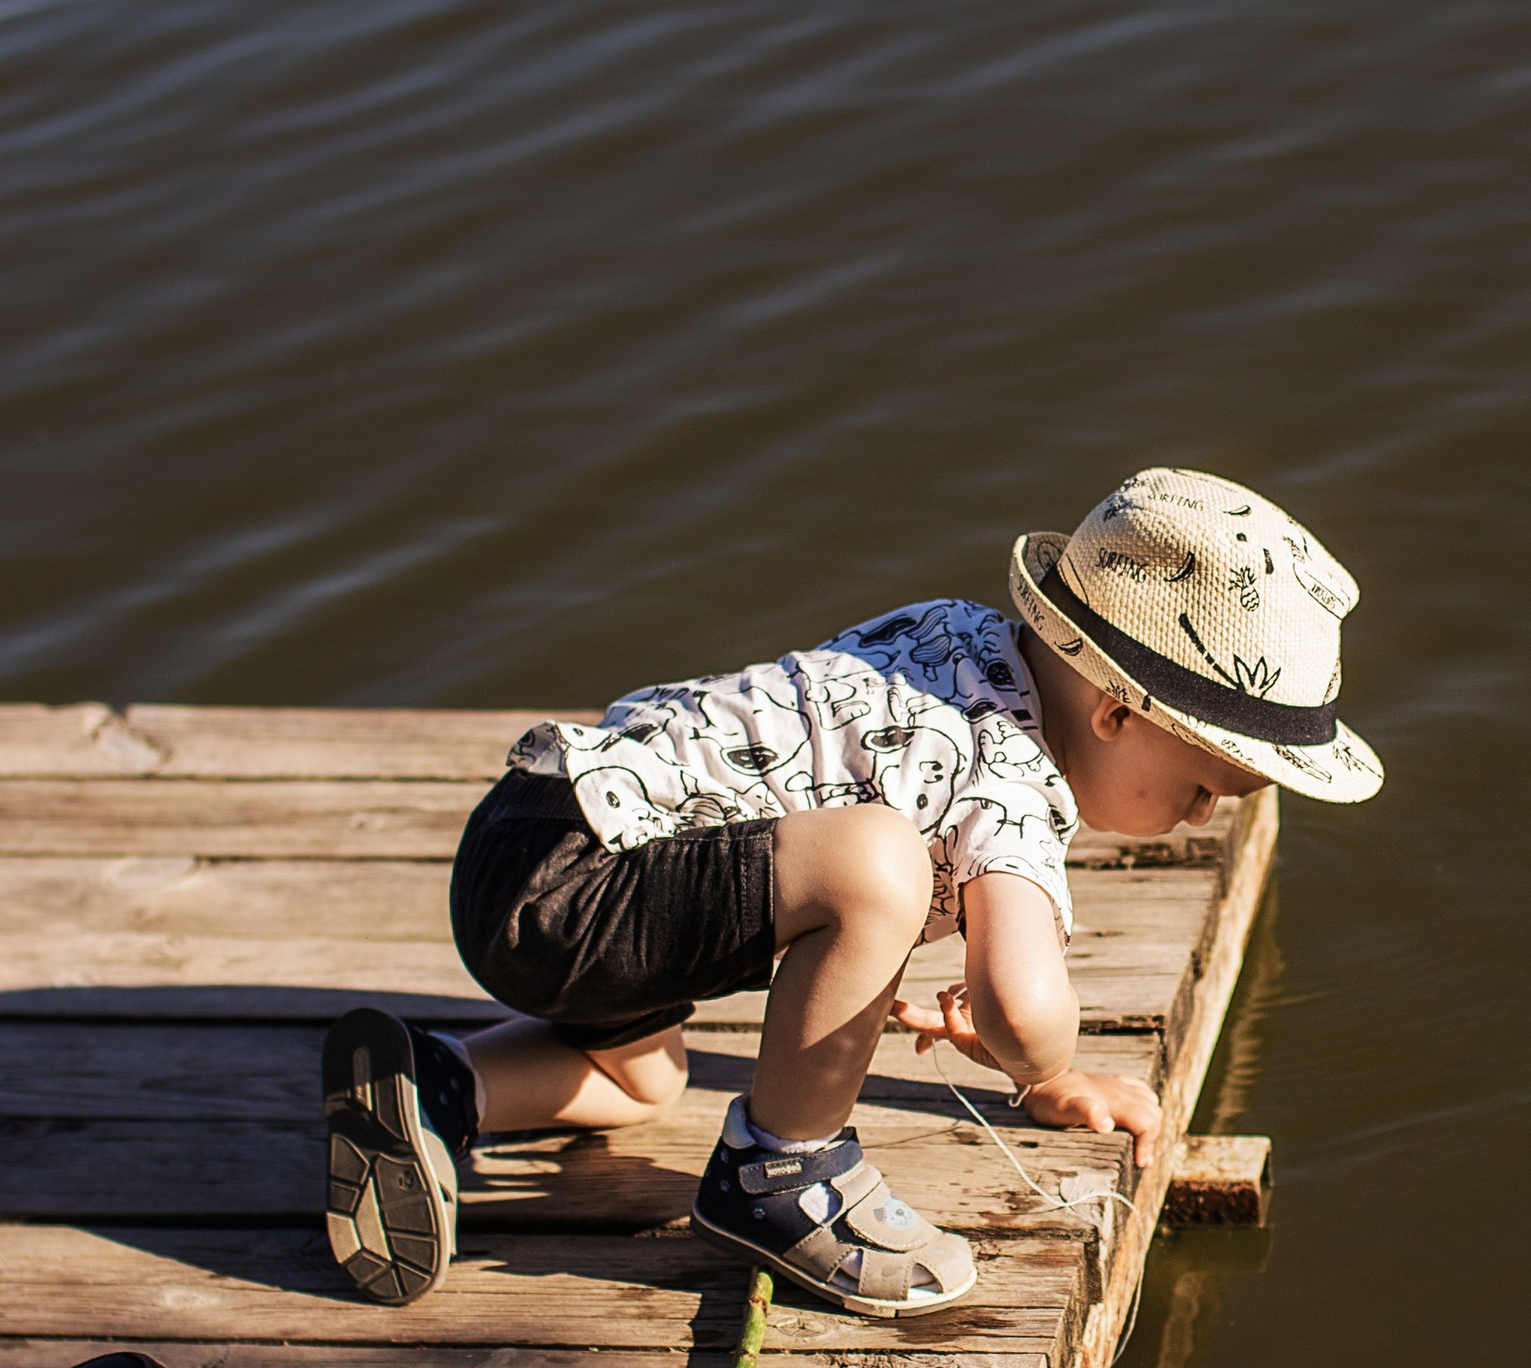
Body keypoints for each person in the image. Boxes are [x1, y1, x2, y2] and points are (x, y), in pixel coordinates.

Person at [319, 466, 1381, 1313]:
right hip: (581, 886)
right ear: (1113, 715)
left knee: (640, 1079)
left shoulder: (953, 635)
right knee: (881, 864)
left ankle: (437, 1090)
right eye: (1204, 788)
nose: (1203, 817)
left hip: (538, 825)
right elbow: (1021, 1003)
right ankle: (778, 1173)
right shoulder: (1010, 778)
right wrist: (1045, 1070)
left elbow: (821, 776)